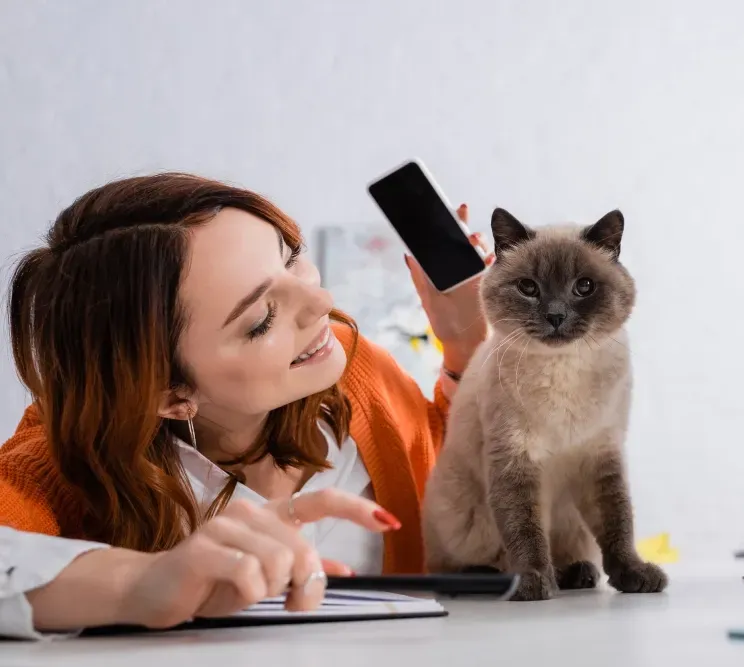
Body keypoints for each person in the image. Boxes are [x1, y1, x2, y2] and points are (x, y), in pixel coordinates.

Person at [0, 172, 492, 639]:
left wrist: (469, 345)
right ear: (170, 396)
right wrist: (141, 583)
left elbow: (458, 473)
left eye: (290, 257)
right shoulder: (64, 453)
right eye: (260, 320)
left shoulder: (352, 370)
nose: (320, 300)